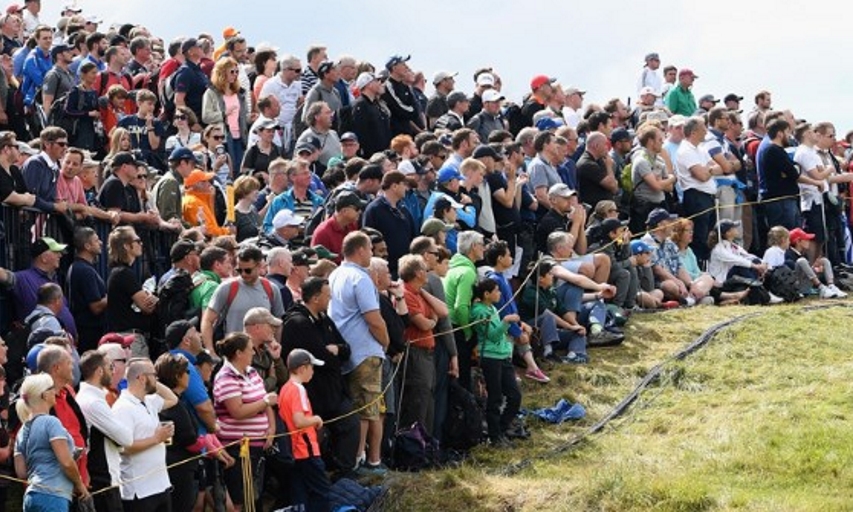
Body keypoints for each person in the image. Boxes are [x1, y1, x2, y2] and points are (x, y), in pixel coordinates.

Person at [281, 276, 359, 476]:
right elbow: (322, 358)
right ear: (315, 298)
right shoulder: (298, 323)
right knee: (319, 436)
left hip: (334, 390)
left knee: (350, 425)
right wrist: (334, 355)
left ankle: (344, 473)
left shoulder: (325, 319)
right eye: (327, 295)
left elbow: (346, 349)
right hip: (313, 393)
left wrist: (337, 351)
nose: (330, 298)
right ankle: (323, 475)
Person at [328, 231, 389, 475]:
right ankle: (361, 461)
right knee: (366, 410)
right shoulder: (360, 278)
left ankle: (359, 459)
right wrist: (385, 341)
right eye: (370, 250)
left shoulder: (335, 274)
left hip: (344, 350)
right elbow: (373, 318)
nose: (372, 254)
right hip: (364, 350)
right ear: (361, 250)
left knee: (360, 407)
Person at [154, 351, 233, 512]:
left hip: (181, 468)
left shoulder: (176, 402)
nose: (191, 375)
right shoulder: (173, 407)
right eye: (187, 372)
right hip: (178, 470)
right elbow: (190, 441)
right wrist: (205, 442)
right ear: (177, 376)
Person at [213, 332, 277, 512]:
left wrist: (271, 429)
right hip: (239, 447)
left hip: (258, 446)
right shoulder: (225, 377)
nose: (253, 353)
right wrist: (265, 402)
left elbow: (265, 401)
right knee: (241, 499)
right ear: (239, 353)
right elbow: (237, 412)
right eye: (250, 350)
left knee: (254, 496)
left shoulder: (252, 372)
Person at [14, 373, 89, 512]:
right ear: (44, 395)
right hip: (53, 498)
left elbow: (22, 473)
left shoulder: (22, 429)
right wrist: (79, 484)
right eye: (51, 388)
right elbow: (66, 463)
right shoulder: (51, 422)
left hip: (31, 498)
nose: (55, 391)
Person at [111, 357, 178, 512]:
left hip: (161, 484)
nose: (157, 378)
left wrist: (151, 378)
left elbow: (172, 398)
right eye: (154, 375)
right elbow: (123, 448)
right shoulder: (123, 408)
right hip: (140, 491)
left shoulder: (149, 401)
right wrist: (156, 439)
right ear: (141, 378)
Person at [201, 244, 285, 353]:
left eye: (248, 270)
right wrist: (210, 350)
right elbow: (207, 320)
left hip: (262, 357)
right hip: (233, 354)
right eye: (239, 270)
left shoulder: (271, 289)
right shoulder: (227, 288)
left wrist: (276, 347)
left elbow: (278, 323)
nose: (244, 274)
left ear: (259, 265)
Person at [76, 350, 132, 511]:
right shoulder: (92, 402)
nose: (113, 371)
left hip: (106, 480)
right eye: (110, 367)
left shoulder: (94, 397)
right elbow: (126, 438)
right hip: (102, 483)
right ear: (99, 371)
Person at [470, 278, 522, 448]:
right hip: (490, 358)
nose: (499, 293)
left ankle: (501, 428)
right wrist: (506, 321)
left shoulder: (492, 308)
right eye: (497, 291)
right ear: (486, 294)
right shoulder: (479, 312)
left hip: (502, 356)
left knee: (514, 395)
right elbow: (492, 335)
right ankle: (495, 436)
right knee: (495, 397)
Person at [278, 348, 332, 512]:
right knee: (322, 492)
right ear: (302, 368)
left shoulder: (284, 389)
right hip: (306, 449)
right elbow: (299, 420)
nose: (313, 372)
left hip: (293, 451)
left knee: (299, 494)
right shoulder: (298, 389)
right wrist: (315, 419)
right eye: (311, 368)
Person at [106, 226, 157, 357]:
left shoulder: (120, 272)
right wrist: (154, 299)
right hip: (129, 338)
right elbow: (147, 307)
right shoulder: (124, 273)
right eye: (137, 241)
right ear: (127, 246)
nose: (141, 244)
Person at [443, 230, 483, 391]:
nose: (484, 249)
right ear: (473, 247)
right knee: (462, 376)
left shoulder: (453, 268)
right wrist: (467, 332)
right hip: (458, 328)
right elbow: (461, 306)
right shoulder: (467, 272)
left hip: (448, 326)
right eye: (482, 245)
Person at [784, 227, 846, 298]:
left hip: (806, 284)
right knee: (801, 261)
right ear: (798, 241)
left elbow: (805, 273)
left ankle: (831, 285)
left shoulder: (803, 254)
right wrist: (814, 270)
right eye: (806, 239)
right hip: (797, 286)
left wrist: (814, 268)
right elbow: (794, 273)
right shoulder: (788, 254)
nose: (809, 241)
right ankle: (821, 287)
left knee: (824, 260)